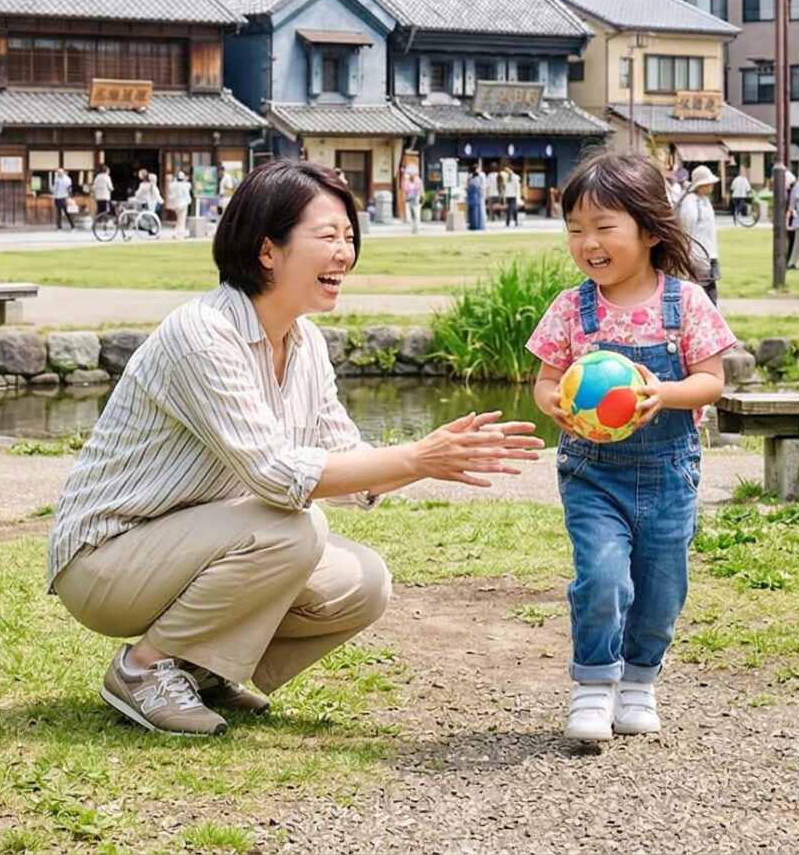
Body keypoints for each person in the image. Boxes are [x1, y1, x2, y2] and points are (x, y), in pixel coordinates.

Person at [47, 160, 539, 736]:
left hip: (197, 545)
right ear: (267, 251)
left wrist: (437, 457)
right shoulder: (203, 334)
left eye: (349, 237)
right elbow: (277, 476)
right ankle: (143, 669)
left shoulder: (304, 343)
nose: (344, 253)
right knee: (295, 528)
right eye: (327, 236)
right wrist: (416, 456)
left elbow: (345, 457)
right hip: (106, 559)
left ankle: (198, 667)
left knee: (362, 583)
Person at [529, 151, 734, 743]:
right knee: (602, 577)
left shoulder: (685, 303)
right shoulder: (572, 308)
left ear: (649, 230)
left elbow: (711, 382)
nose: (588, 243)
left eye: (603, 227)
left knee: (662, 588)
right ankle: (593, 686)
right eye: (575, 230)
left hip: (669, 473)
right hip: (593, 474)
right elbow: (544, 382)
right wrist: (554, 403)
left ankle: (640, 681)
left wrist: (663, 394)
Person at [673, 164, 722, 304]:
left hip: (709, 253)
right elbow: (687, 230)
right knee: (702, 292)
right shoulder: (690, 202)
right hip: (697, 255)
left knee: (710, 290)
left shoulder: (705, 201)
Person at [168, 170, 194, 240]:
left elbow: (171, 195)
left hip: (176, 204)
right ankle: (180, 234)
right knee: (182, 220)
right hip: (183, 204)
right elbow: (187, 195)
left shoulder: (173, 185)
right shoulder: (185, 185)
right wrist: (189, 201)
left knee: (178, 220)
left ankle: (177, 233)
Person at [398, 159, 424, 234]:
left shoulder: (417, 180)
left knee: (416, 214)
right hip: (409, 199)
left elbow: (421, 190)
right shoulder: (407, 181)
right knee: (411, 215)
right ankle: (413, 228)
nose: (410, 175)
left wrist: (422, 198)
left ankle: (417, 228)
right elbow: (404, 190)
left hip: (416, 199)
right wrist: (404, 198)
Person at [499, 162, 523, 227]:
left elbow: (517, 187)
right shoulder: (506, 177)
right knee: (514, 209)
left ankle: (508, 222)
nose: (506, 171)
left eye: (507, 170)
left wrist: (518, 197)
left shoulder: (515, 177)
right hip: (508, 195)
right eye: (505, 170)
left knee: (510, 209)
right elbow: (505, 186)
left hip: (513, 195)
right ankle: (516, 221)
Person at [464, 166, 486, 232]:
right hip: (471, 196)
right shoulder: (470, 177)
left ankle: (478, 225)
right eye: (477, 169)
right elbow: (467, 185)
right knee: (471, 211)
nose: (478, 170)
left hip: (477, 196)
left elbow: (482, 186)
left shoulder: (480, 176)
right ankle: (472, 225)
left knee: (477, 211)